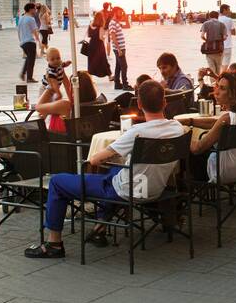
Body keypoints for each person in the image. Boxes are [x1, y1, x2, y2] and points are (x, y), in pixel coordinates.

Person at [26, 80, 188, 257]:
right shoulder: (177, 128)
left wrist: (113, 153)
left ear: (139, 104)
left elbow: (95, 160)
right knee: (114, 173)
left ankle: (54, 243)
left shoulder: (137, 132)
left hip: (127, 191)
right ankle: (99, 228)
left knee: (58, 182)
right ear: (164, 102)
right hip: (156, 189)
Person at [189, 70, 236, 184]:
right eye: (217, 87)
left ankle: (185, 194)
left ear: (234, 93)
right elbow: (216, 124)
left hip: (221, 172)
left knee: (189, 154)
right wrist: (190, 121)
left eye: (222, 88)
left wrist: (181, 135)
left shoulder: (227, 119)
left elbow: (197, 148)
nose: (215, 92)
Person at [84, 10, 111, 80]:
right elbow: (101, 37)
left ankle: (90, 78)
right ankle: (110, 76)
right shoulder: (100, 27)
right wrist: (105, 35)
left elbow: (88, 35)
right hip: (99, 46)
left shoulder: (90, 24)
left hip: (91, 45)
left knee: (91, 61)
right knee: (104, 61)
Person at [17, 2, 39, 82]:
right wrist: (38, 41)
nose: (36, 10)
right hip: (30, 41)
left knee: (28, 59)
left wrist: (21, 40)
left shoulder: (21, 18)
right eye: (35, 9)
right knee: (31, 61)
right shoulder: (31, 19)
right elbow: (34, 31)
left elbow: (18, 30)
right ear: (31, 9)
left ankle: (23, 73)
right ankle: (29, 78)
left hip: (23, 42)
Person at [108, 9, 129, 91]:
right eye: (120, 12)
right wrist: (119, 49)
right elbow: (113, 37)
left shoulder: (116, 22)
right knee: (124, 66)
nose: (121, 13)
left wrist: (126, 17)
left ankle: (117, 84)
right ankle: (125, 85)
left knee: (118, 66)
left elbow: (128, 26)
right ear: (115, 12)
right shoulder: (112, 23)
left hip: (121, 48)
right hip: (119, 49)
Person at [200, 11, 226, 76]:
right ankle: (218, 84)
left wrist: (207, 41)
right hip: (219, 50)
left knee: (212, 69)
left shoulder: (206, 23)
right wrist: (219, 41)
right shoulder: (222, 24)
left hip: (209, 50)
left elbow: (202, 36)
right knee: (218, 68)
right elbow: (225, 37)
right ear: (218, 16)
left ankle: (213, 84)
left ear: (209, 16)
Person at [218, 3, 236, 69]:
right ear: (224, 10)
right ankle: (222, 78)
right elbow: (234, 32)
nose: (230, 11)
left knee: (219, 65)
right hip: (227, 45)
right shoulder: (229, 20)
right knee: (225, 65)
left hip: (218, 46)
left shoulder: (217, 19)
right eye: (228, 9)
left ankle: (219, 78)